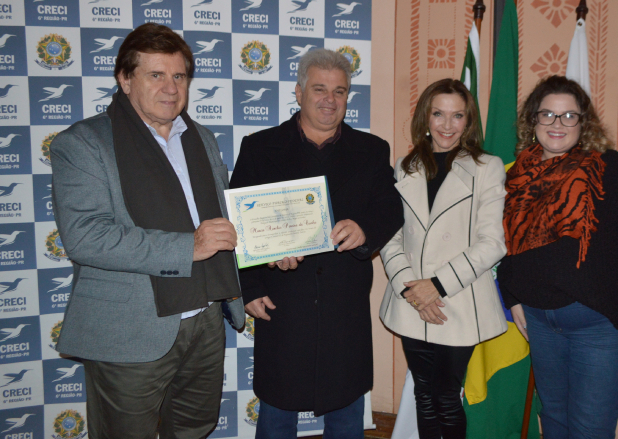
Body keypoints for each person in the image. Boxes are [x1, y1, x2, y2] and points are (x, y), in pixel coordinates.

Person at [50, 23, 245, 439]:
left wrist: (269, 247)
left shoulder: (201, 138)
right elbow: (86, 236)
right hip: (130, 330)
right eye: (156, 75)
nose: (171, 88)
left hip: (206, 320)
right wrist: (188, 247)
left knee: (194, 429)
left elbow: (225, 219)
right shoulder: (83, 143)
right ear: (125, 79)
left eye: (179, 76)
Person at [230, 48, 403, 439]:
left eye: (339, 91)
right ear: (299, 92)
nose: (330, 100)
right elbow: (239, 225)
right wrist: (250, 287)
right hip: (282, 303)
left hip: (345, 306)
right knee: (276, 416)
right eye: (320, 89)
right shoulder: (259, 147)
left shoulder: (372, 149)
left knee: (346, 416)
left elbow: (390, 209)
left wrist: (364, 230)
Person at [497, 75, 618, 439]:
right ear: (533, 120)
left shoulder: (612, 168)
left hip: (598, 327)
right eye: (547, 114)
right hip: (540, 324)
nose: (557, 124)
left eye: (569, 116)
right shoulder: (518, 175)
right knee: (554, 421)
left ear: (583, 122)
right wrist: (511, 295)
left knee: (590, 428)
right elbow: (509, 243)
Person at [379, 79, 508, 439]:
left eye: (457, 116)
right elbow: (390, 236)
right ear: (425, 117)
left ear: (468, 121)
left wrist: (435, 286)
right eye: (438, 114)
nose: (447, 125)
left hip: (457, 300)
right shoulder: (404, 166)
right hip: (411, 299)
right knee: (424, 395)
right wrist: (412, 290)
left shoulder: (487, 167)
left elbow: (492, 243)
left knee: (447, 397)